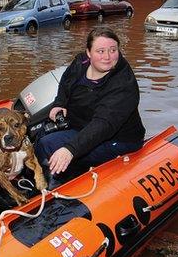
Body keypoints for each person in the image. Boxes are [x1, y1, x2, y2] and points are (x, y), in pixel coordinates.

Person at [36, 26, 145, 185]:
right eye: (100, 51)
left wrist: (70, 149)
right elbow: (67, 81)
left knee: (50, 145)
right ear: (89, 53)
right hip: (82, 124)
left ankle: (61, 185)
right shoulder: (81, 62)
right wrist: (60, 103)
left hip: (117, 139)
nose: (107, 57)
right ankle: (47, 176)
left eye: (113, 50)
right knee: (41, 136)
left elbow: (103, 124)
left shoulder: (123, 84)